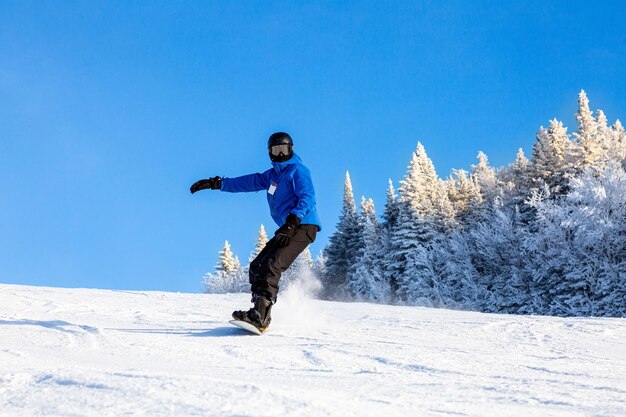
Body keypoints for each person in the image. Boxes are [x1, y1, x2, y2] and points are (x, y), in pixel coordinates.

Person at [190, 132, 321, 332]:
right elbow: (245, 183)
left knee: (271, 265)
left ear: (291, 149)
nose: (279, 154)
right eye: (275, 150)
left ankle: (261, 317)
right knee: (257, 265)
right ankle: (257, 310)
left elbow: (307, 197)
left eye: (283, 150)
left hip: (303, 225)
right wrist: (216, 183)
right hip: (289, 227)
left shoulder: (298, 170)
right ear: (269, 152)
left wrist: (292, 221)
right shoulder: (271, 176)